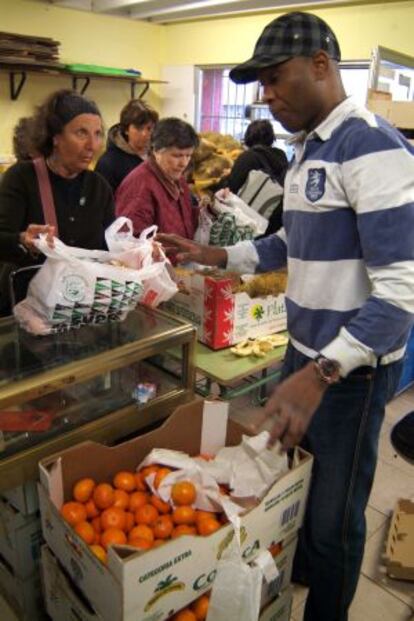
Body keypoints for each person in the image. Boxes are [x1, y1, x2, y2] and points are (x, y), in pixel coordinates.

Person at [156, 12, 414, 621]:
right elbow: (287, 245)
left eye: (274, 79)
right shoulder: (308, 152)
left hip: (348, 375)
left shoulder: (373, 148)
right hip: (306, 354)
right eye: (261, 83)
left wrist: (320, 373)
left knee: (334, 515)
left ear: (321, 65)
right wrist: (217, 254)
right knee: (293, 488)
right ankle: (292, 582)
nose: (265, 95)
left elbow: (402, 294)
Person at [0, 89, 114, 315]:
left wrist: (137, 253)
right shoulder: (21, 178)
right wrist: (22, 239)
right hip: (25, 307)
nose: (93, 144)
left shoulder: (99, 187)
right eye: (81, 133)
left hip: (78, 306)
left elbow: (109, 246)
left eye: (98, 133)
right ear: (55, 137)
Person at [115, 117, 199, 240]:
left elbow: (187, 222)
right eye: (177, 155)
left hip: (182, 258)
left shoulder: (176, 178)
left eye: (188, 155)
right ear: (156, 151)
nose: (184, 163)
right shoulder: (140, 187)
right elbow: (132, 242)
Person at [95, 98, 159, 193]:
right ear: (126, 129)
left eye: (149, 128)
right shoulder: (108, 163)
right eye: (139, 128)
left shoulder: (159, 156)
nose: (145, 134)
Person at [225, 119, 287, 195]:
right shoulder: (281, 155)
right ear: (271, 137)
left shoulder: (248, 157)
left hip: (249, 205)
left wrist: (225, 177)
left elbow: (232, 188)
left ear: (248, 136)